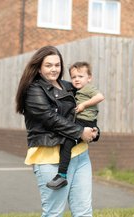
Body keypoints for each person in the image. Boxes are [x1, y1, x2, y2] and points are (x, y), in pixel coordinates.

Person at [15, 46, 97, 217]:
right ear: (39, 67)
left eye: (57, 65)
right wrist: (80, 132)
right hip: (50, 158)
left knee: (84, 212)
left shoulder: (69, 86)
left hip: (80, 156)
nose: (54, 69)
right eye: (48, 65)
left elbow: (84, 108)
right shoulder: (33, 90)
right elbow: (50, 118)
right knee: (53, 213)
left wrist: (94, 130)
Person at [46, 61, 105, 190]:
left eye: (80, 76)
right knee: (67, 141)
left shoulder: (89, 88)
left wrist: (84, 105)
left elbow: (100, 97)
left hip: (85, 121)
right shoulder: (77, 90)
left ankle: (61, 175)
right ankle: (61, 174)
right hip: (80, 121)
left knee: (67, 143)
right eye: (73, 77)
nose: (76, 79)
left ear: (89, 78)